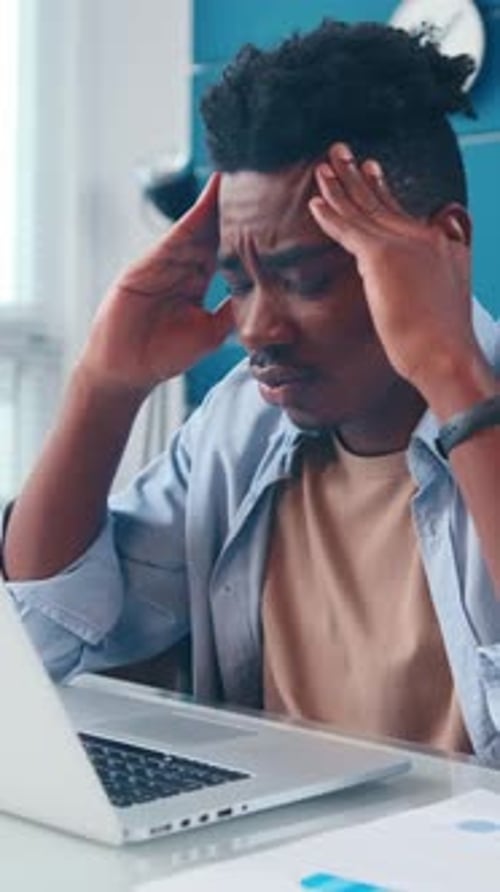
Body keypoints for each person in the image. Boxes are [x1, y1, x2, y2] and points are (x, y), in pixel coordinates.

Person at [2, 20, 500, 765]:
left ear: (445, 245)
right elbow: (45, 642)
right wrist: (102, 387)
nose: (257, 329)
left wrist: (453, 375)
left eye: (305, 279)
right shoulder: (240, 426)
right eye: (237, 282)